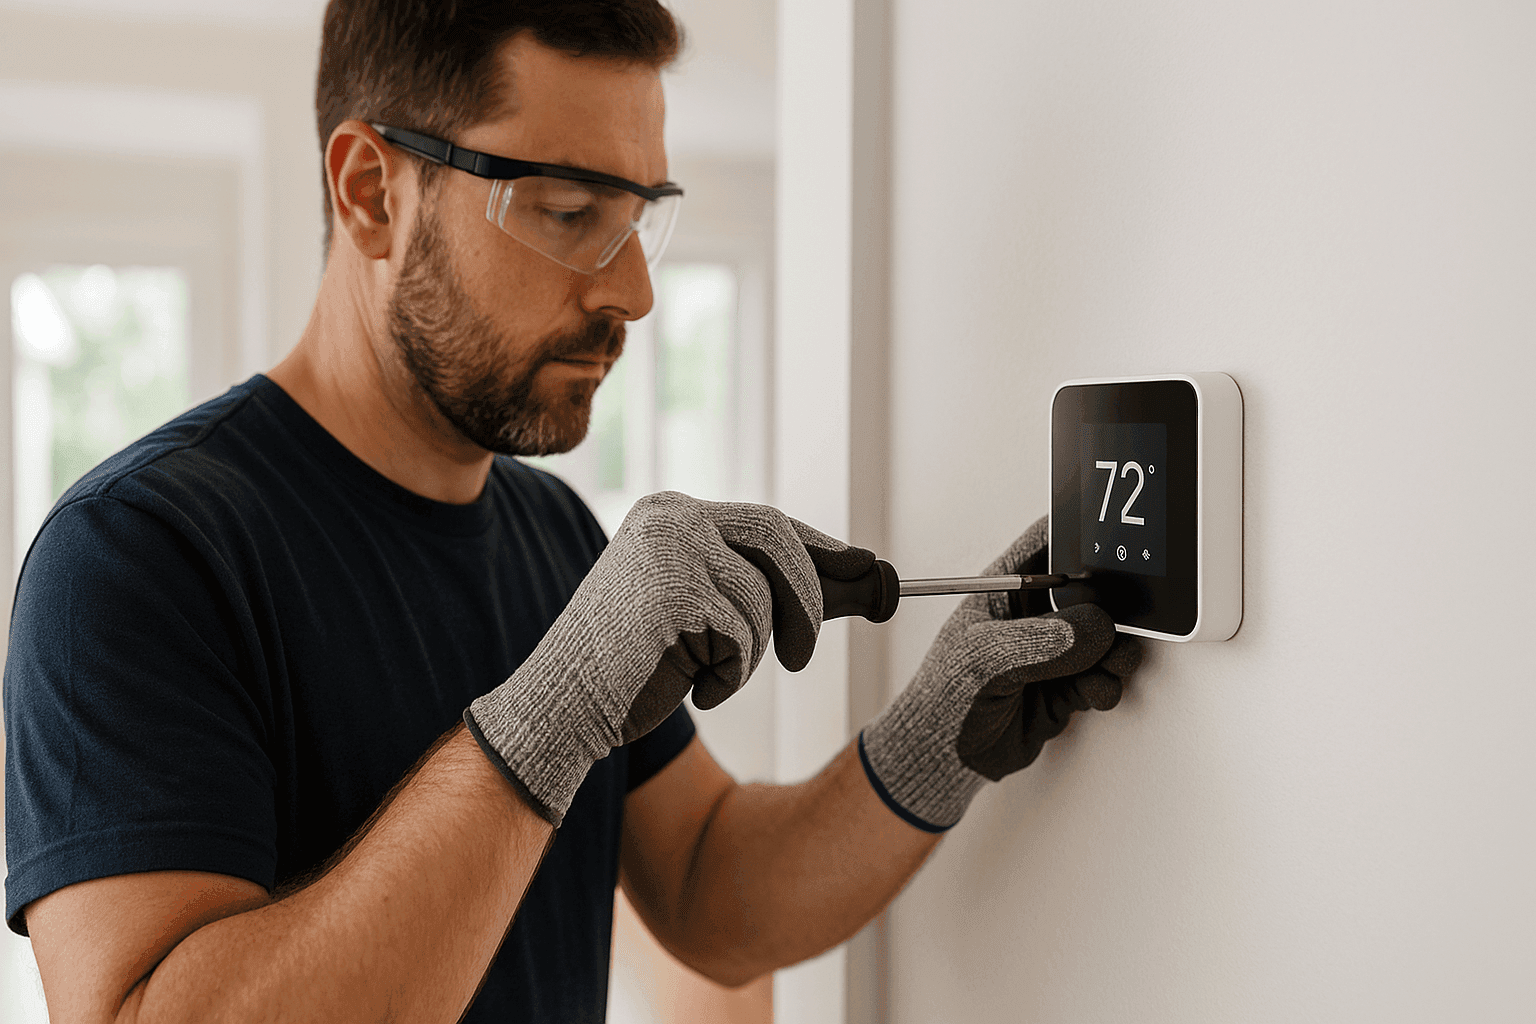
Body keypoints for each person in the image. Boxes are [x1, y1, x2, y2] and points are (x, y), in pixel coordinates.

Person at [2, 2, 1141, 1021]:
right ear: (370, 192)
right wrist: (549, 719)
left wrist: (936, 734)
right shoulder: (137, 553)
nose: (634, 292)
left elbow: (705, 890)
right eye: (564, 210)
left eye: (643, 213)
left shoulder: (555, 536)